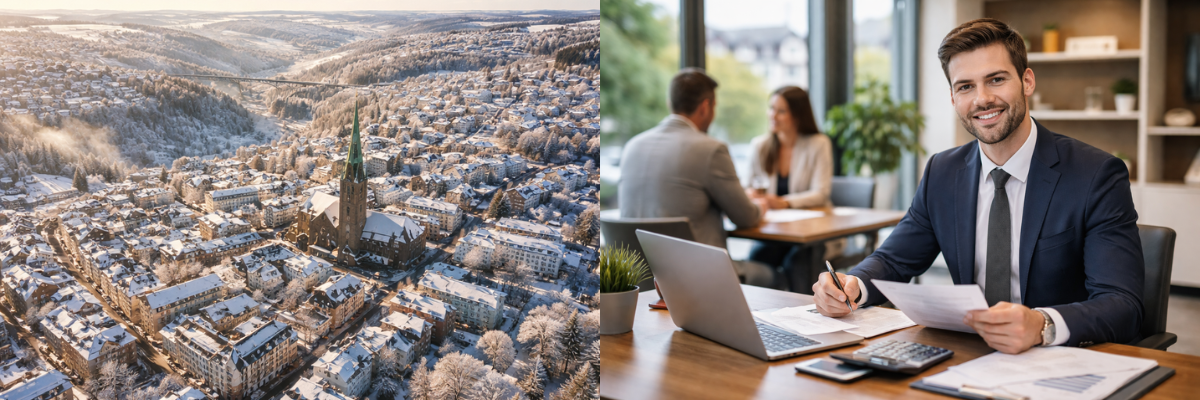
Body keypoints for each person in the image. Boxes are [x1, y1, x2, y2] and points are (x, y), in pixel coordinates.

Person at [811, 18, 1144, 355]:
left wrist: (1042, 325)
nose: (982, 99)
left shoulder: (1095, 174)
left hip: (1057, 359)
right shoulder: (943, 171)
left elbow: (1122, 303)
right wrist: (852, 285)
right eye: (965, 86)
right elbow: (895, 260)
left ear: (1027, 81)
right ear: (954, 98)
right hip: (968, 354)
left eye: (996, 80)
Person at [619, 68, 778, 288]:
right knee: (775, 273)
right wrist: (761, 205)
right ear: (705, 107)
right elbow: (746, 217)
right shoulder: (711, 149)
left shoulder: (631, 147)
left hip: (638, 279)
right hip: (699, 281)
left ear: (670, 102)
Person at [744, 86, 838, 291]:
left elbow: (821, 193)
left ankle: (803, 317)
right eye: (771, 109)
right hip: (775, 231)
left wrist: (784, 202)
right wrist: (750, 195)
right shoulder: (760, 145)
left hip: (812, 233)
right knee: (757, 257)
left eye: (781, 111)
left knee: (797, 264)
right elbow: (747, 187)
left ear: (797, 115)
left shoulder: (818, 143)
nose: (773, 115)